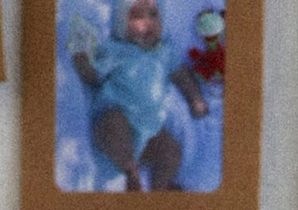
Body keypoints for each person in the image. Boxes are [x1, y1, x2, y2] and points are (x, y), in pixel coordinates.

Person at [68, 0, 211, 194]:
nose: (148, 22)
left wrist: (195, 98)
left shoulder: (165, 52)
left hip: (149, 133)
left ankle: (160, 187)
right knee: (113, 125)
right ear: (122, 27)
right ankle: (130, 171)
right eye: (137, 16)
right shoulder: (116, 51)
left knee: (171, 150)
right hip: (115, 120)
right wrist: (82, 60)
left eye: (153, 14)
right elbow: (93, 78)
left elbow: (181, 75)